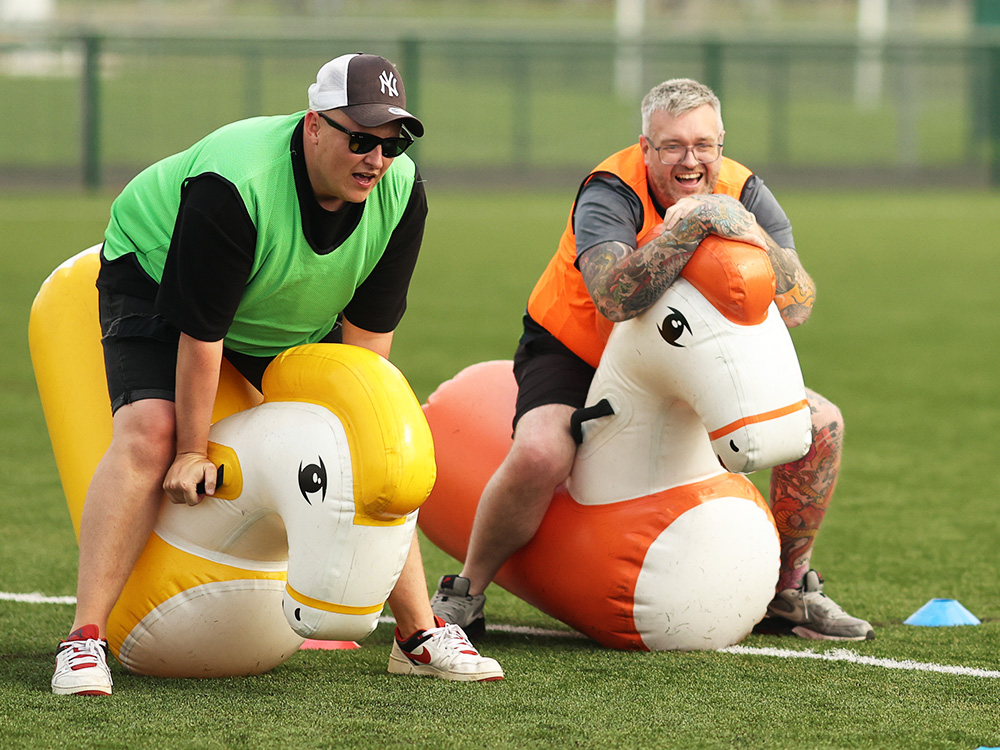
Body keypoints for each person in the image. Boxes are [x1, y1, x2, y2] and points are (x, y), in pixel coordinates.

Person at [51, 53, 503, 697]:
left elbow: (367, 352)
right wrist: (190, 449)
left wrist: (359, 430)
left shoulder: (401, 191)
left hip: (279, 295)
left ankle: (418, 634)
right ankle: (84, 639)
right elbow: (202, 334)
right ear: (314, 125)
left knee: (364, 441)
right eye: (361, 139)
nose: (377, 158)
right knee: (150, 432)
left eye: (391, 143)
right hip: (156, 271)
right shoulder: (235, 183)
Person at [431, 77, 873, 643]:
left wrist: (748, 230)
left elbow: (798, 304)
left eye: (704, 145)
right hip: (576, 347)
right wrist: (686, 226)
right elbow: (615, 299)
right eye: (673, 147)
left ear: (720, 143)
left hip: (683, 360)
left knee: (822, 425)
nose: (691, 161)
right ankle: (466, 591)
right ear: (646, 148)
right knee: (542, 451)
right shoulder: (610, 190)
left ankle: (789, 591)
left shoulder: (742, 190)